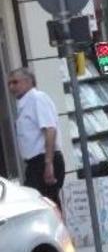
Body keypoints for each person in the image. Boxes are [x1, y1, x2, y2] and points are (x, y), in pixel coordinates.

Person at [7, 68, 65, 210]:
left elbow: (50, 130)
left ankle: (60, 231)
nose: (11, 87)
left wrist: (48, 163)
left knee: (43, 204)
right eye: (9, 83)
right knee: (45, 203)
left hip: (43, 160)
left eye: (15, 82)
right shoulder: (24, 104)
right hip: (35, 163)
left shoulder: (37, 99)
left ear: (28, 81)